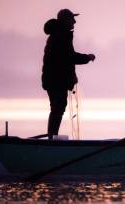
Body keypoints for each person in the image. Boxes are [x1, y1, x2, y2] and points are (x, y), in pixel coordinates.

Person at [42, 9, 95, 140]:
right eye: (72, 19)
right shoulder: (60, 36)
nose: (75, 22)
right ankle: (51, 139)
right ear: (65, 21)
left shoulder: (60, 34)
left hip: (55, 80)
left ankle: (52, 138)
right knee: (58, 108)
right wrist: (87, 57)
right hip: (55, 80)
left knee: (58, 108)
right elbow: (70, 57)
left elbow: (66, 59)